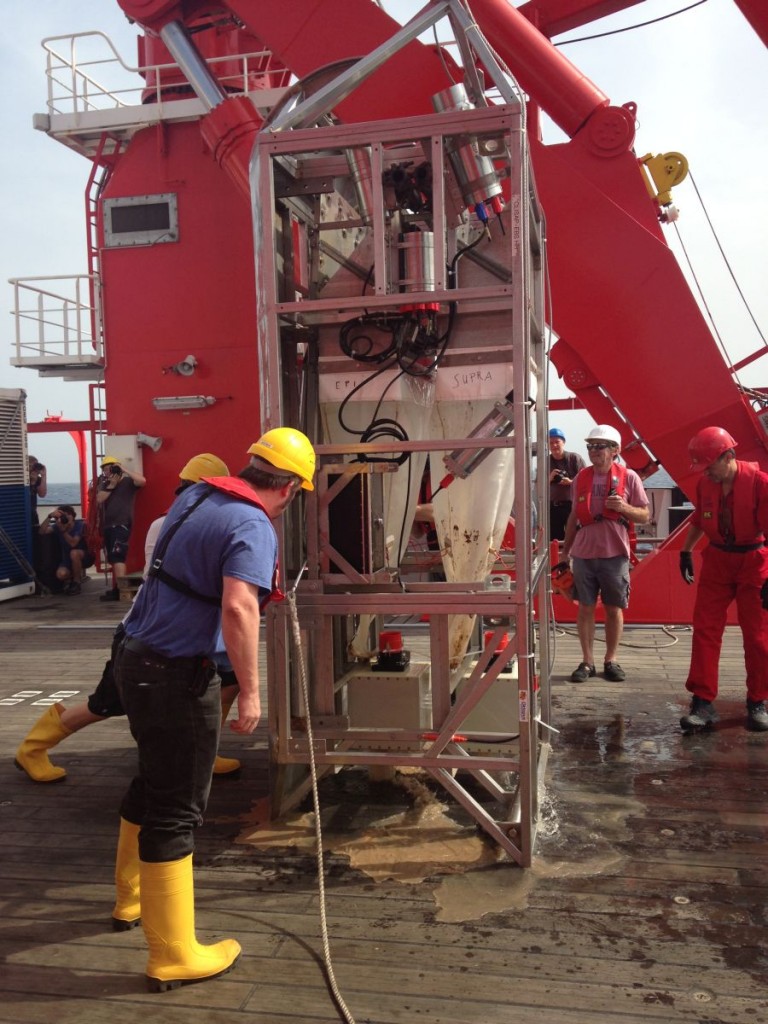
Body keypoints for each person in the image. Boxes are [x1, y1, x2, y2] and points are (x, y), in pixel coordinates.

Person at [112, 427, 315, 992]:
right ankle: (174, 953)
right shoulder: (252, 522)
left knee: (154, 781)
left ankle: (131, 899)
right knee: (177, 808)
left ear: (250, 464)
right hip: (173, 674)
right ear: (293, 489)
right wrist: (250, 691)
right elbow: (239, 606)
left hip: (133, 657)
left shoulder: (199, 495)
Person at [13, 454, 245, 783]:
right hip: (150, 634)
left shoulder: (185, 519)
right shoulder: (175, 523)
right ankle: (32, 748)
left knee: (228, 681)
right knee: (107, 703)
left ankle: (202, 750)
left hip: (182, 630)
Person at [678, 427, 768, 733]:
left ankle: (757, 700)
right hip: (717, 560)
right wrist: (686, 552)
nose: (705, 473)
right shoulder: (707, 485)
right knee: (705, 629)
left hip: (753, 561)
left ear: (728, 456)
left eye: (708, 466)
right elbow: (699, 520)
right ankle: (702, 702)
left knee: (757, 636)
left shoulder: (760, 484)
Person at [560, 424, 649, 683]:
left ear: (615, 451)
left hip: (615, 553)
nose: (593, 451)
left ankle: (611, 659)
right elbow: (574, 517)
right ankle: (587, 662)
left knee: (614, 608)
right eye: (590, 446)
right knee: (585, 607)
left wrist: (623, 507)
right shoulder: (580, 479)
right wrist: (565, 553)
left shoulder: (629, 477)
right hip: (585, 554)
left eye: (599, 446)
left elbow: (644, 515)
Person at [97, 455, 146, 601]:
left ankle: (120, 590)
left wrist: (123, 469)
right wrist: (111, 485)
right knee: (112, 557)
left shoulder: (128, 482)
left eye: (110, 469)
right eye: (105, 469)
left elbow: (142, 481)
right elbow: (100, 499)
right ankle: (117, 588)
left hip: (121, 524)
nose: (108, 472)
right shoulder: (104, 484)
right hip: (108, 525)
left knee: (118, 556)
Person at [38, 504, 94, 595]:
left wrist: (63, 531)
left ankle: (76, 583)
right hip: (67, 560)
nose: (66, 517)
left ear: (72, 516)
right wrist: (49, 517)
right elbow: (41, 531)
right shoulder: (58, 526)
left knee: (74, 553)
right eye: (63, 515)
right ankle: (73, 577)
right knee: (61, 574)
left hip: (85, 556)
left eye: (68, 515)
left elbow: (73, 543)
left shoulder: (79, 525)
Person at [548, 428, 585, 542]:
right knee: (555, 541)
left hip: (572, 505)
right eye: (551, 442)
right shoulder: (545, 461)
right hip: (553, 507)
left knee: (575, 537)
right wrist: (549, 478)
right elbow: (537, 486)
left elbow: (586, 479)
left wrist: (571, 482)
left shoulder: (574, 459)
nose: (554, 445)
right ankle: (558, 560)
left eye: (557, 442)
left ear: (563, 442)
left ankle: (576, 559)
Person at [28, 455, 47, 526]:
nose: (33, 468)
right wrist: (32, 482)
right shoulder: (22, 479)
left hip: (33, 513)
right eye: (30, 466)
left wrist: (43, 476)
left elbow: (42, 494)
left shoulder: (37, 479)